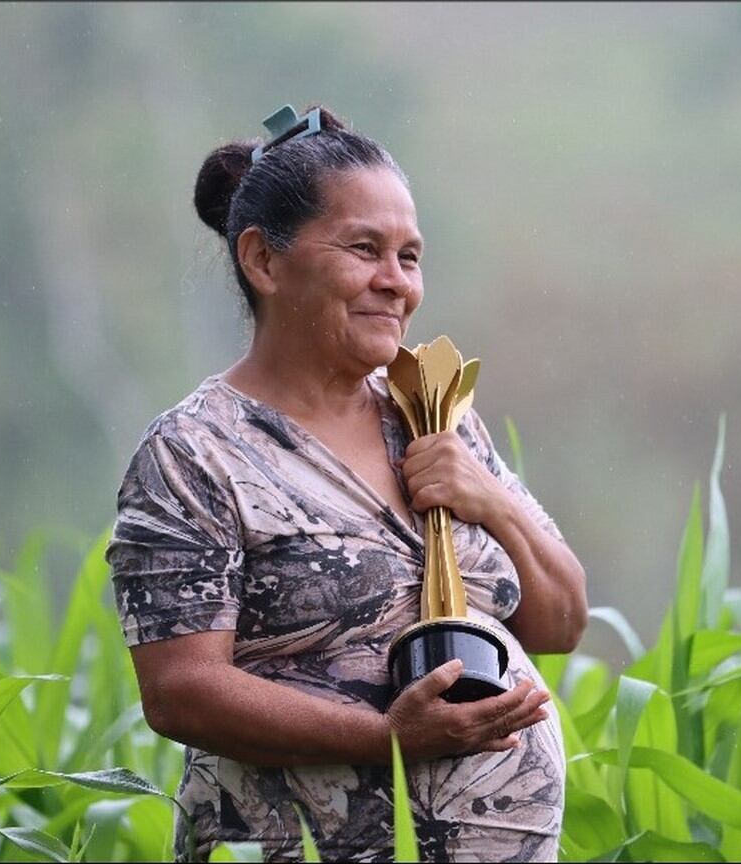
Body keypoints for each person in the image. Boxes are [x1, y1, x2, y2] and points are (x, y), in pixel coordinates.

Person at [105, 102, 588, 862]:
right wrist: (387, 737)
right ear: (263, 261)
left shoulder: (432, 413)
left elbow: (558, 625)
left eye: (410, 256)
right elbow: (180, 691)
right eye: (365, 249)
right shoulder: (195, 454)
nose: (396, 283)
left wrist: (489, 499)